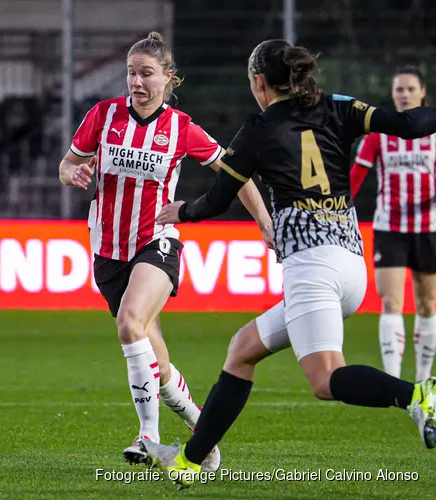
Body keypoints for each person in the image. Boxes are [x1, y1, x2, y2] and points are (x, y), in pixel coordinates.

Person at [141, 39, 436, 489]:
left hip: (312, 269)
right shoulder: (338, 107)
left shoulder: (259, 128)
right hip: (351, 265)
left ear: (259, 82)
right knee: (242, 350)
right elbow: (410, 125)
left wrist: (181, 211)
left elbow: (218, 199)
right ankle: (191, 460)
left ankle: (419, 396)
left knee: (325, 379)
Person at [58, 32, 274, 469]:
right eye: (131, 73)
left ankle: (147, 436)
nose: (136, 82)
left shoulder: (181, 128)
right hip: (107, 249)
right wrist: (71, 175)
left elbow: (236, 174)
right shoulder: (103, 115)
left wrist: (265, 223)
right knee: (152, 355)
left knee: (130, 322)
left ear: (168, 78)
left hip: (156, 242)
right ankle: (202, 430)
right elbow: (68, 163)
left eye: (146, 74)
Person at [351, 67, 436, 382]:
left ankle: (424, 379)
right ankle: (393, 379)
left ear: (422, 92)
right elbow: (356, 176)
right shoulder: (379, 134)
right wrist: (339, 206)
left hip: (429, 228)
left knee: (427, 303)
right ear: (393, 95)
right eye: (399, 89)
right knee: (391, 301)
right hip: (390, 226)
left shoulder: (433, 133)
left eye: (411, 89)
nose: (404, 94)